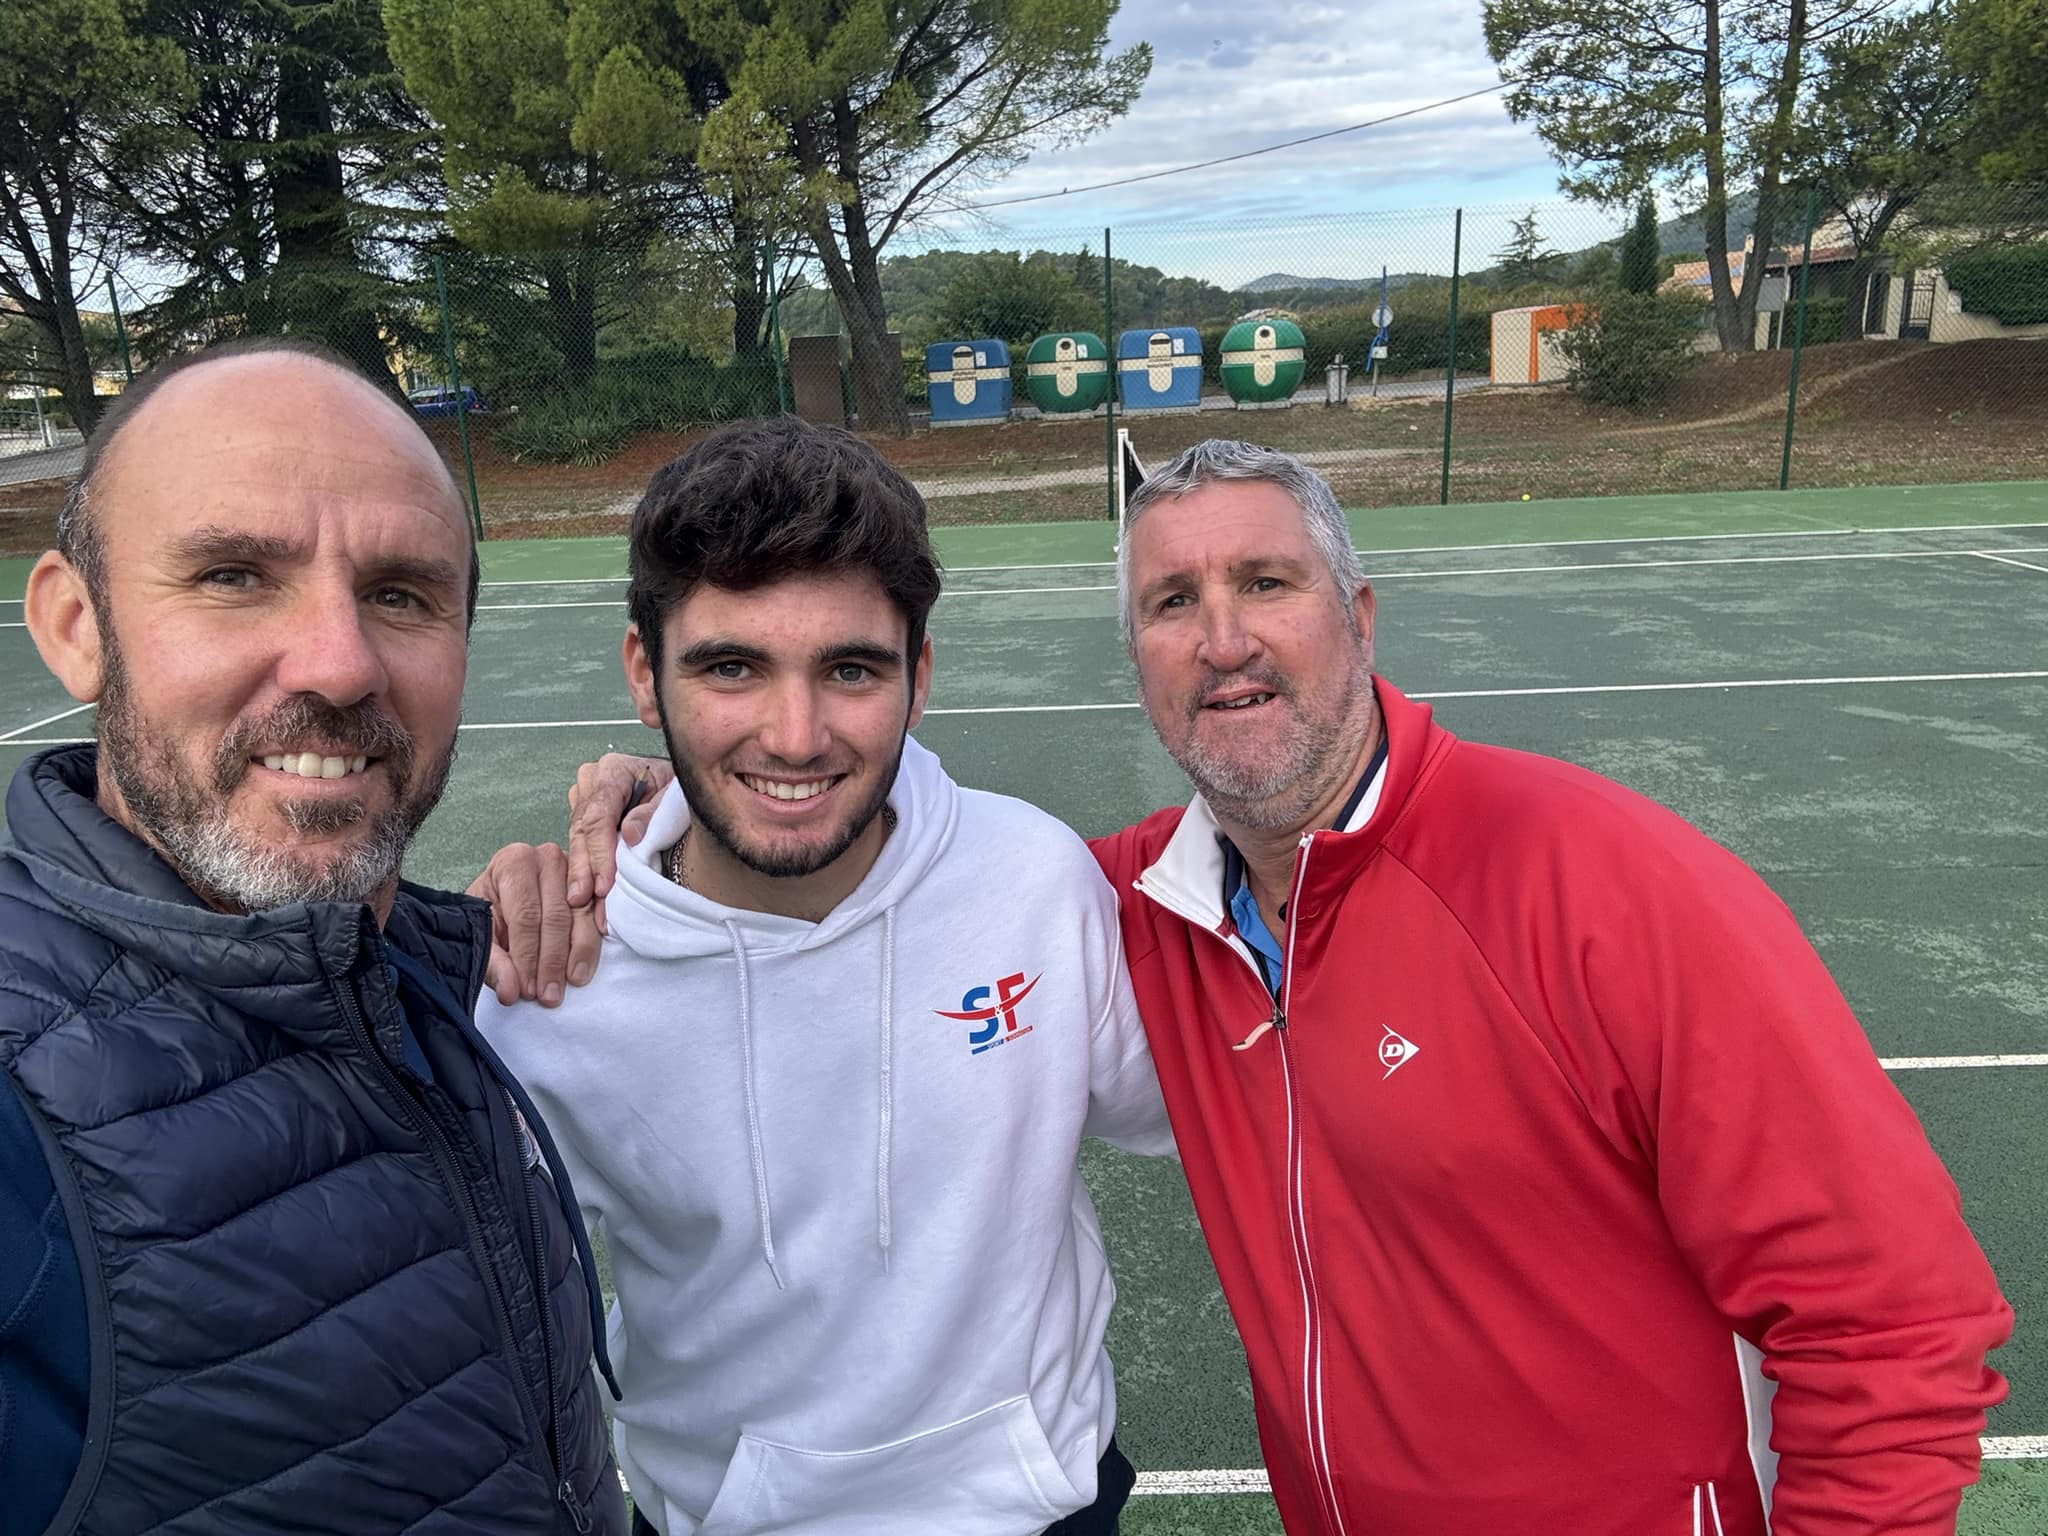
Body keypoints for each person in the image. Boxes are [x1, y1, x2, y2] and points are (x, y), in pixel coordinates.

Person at [509, 438, 2012, 1536]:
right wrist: (644, 822)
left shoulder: (1606, 880)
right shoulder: (1126, 906)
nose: (1220, 637)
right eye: (1171, 602)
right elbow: (811, 841)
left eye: (1265, 582)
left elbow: (1894, 1322)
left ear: (1359, 618)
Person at [473, 416, 1174, 1536]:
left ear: (919, 675)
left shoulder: (1033, 877)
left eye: (848, 668)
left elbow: (1209, 1105)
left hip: (1042, 1506)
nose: (794, 736)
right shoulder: (555, 977)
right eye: (732, 667)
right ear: (643, 677)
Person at [1, 339, 626, 1536]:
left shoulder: (427, 989)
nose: (341, 665)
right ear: (76, 626)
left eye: (400, 594)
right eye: (235, 574)